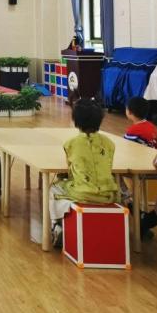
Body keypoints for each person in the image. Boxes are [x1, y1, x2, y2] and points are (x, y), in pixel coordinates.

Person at [49, 99, 119, 247]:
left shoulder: (71, 143)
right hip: (108, 194)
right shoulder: (109, 143)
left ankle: (57, 225)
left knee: (53, 188)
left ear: (76, 120)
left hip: (83, 193)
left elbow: (70, 169)